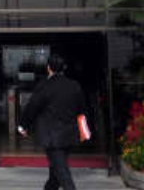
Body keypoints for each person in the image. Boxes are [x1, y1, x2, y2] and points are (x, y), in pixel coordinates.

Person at [19, 55, 88, 190]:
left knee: (62, 173)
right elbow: (82, 110)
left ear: (48, 68)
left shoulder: (44, 86)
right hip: (69, 135)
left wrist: (23, 125)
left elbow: (32, 107)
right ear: (64, 68)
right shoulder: (74, 85)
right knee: (56, 172)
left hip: (51, 136)